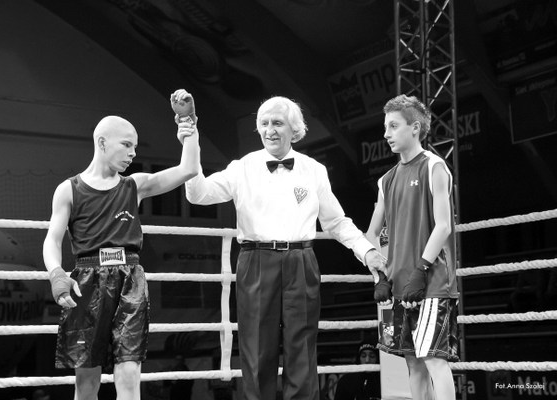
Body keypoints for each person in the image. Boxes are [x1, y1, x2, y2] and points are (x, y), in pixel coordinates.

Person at [183, 95, 386, 400]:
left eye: (277, 123)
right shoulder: (242, 167)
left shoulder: (314, 170)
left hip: (300, 259)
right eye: (264, 123)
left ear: (295, 129)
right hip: (255, 259)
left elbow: (335, 221)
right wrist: (190, 143)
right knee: (256, 348)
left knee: (302, 346)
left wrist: (367, 251)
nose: (270, 130)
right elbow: (198, 195)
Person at [42, 89, 200, 400]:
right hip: (86, 281)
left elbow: (188, 170)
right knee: (87, 382)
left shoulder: (134, 185)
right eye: (126, 145)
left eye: (135, 147)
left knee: (129, 375)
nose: (132, 153)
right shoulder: (69, 189)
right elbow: (52, 238)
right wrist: (56, 273)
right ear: (102, 143)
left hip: (130, 280)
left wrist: (189, 126)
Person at [365, 94, 460, 400]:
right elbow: (370, 235)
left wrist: (421, 269)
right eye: (385, 127)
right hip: (398, 285)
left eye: (393, 126)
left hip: (432, 282)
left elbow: (444, 225)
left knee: (435, 360)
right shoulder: (386, 180)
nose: (386, 134)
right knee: (413, 363)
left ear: (415, 128)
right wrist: (379, 276)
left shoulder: (434, 166)